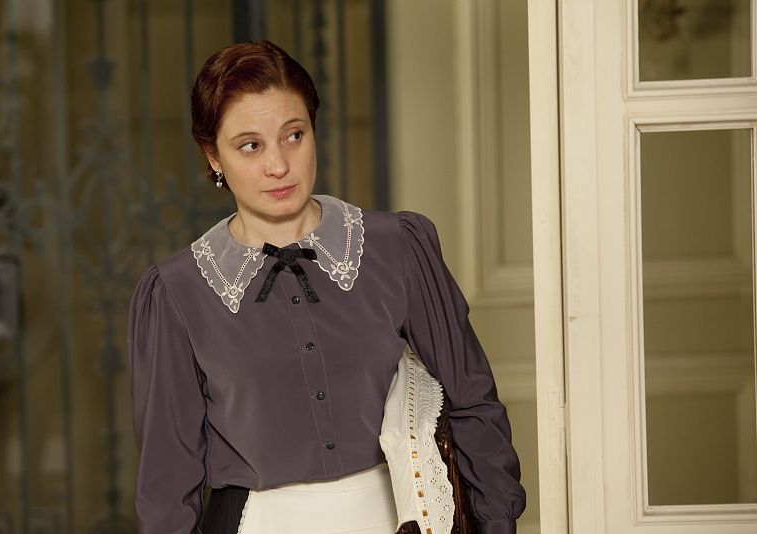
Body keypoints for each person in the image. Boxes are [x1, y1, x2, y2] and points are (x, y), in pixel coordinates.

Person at [127, 40, 525, 534]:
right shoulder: (176, 293)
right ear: (213, 157)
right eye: (250, 146)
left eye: (293, 135)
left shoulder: (397, 247)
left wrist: (496, 521)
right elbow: (168, 486)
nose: (278, 165)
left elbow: (473, 401)